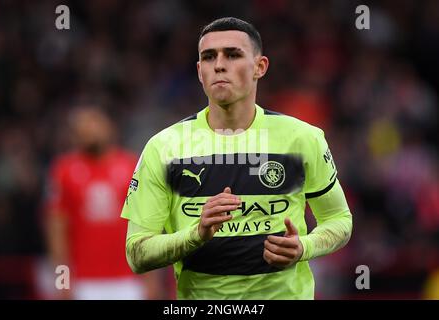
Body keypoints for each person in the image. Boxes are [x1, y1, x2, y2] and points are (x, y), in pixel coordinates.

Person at [121, 17, 353, 299]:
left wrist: (306, 246)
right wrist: (196, 234)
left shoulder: (302, 138)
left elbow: (339, 219)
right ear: (199, 71)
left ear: (260, 67)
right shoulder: (164, 147)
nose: (219, 64)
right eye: (209, 57)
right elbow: (136, 253)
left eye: (232, 54)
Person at [44, 105, 162, 299]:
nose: (88, 130)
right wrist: (62, 282)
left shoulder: (132, 165)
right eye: (81, 127)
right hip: (83, 283)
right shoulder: (63, 170)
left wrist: (151, 279)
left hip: (128, 280)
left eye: (93, 123)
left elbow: (146, 225)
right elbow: (56, 230)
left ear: (109, 127)